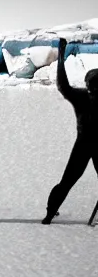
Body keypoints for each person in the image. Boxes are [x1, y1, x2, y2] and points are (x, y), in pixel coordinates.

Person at [42, 37, 98, 223]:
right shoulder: (82, 97)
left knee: (66, 182)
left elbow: (62, 86)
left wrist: (61, 54)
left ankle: (50, 214)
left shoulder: (81, 97)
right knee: (67, 182)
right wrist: (60, 54)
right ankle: (50, 213)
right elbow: (63, 86)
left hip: (83, 145)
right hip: (91, 145)